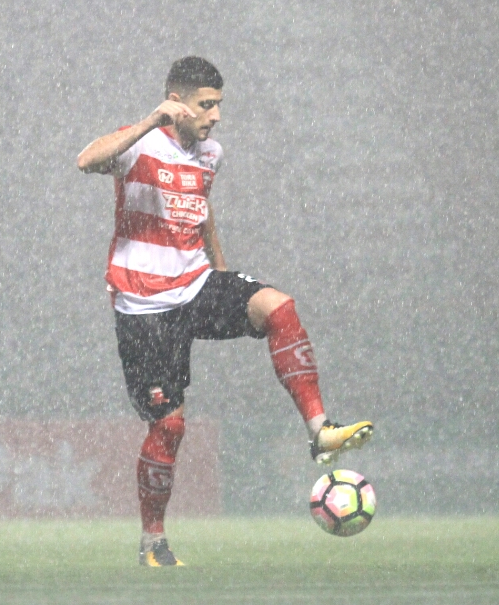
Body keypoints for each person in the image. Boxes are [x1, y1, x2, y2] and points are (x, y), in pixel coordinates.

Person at [77, 56, 373, 567]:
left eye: (218, 105)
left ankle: (319, 430)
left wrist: (223, 275)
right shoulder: (142, 143)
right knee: (169, 426)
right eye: (205, 105)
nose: (215, 116)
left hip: (195, 284)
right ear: (178, 102)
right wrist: (151, 120)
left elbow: (204, 213)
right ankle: (153, 541)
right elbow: (85, 160)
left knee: (277, 306)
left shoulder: (211, 153)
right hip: (144, 304)